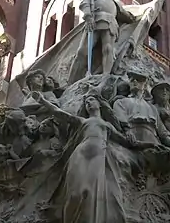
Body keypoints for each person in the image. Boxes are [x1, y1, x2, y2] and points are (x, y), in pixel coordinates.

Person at [31, 87, 154, 223]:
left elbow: (129, 143)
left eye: (91, 100)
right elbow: (58, 112)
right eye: (86, 103)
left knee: (91, 193)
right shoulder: (83, 121)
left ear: (100, 103)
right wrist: (42, 100)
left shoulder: (107, 125)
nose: (88, 104)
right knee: (74, 193)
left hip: (98, 156)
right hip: (80, 154)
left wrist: (150, 145)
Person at [68, 0, 135, 84]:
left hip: (110, 23)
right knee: (82, 51)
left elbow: (126, 15)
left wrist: (136, 15)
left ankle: (106, 75)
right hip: (93, 23)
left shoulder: (114, 2)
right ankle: (72, 80)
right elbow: (84, 4)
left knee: (108, 48)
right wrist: (88, 16)